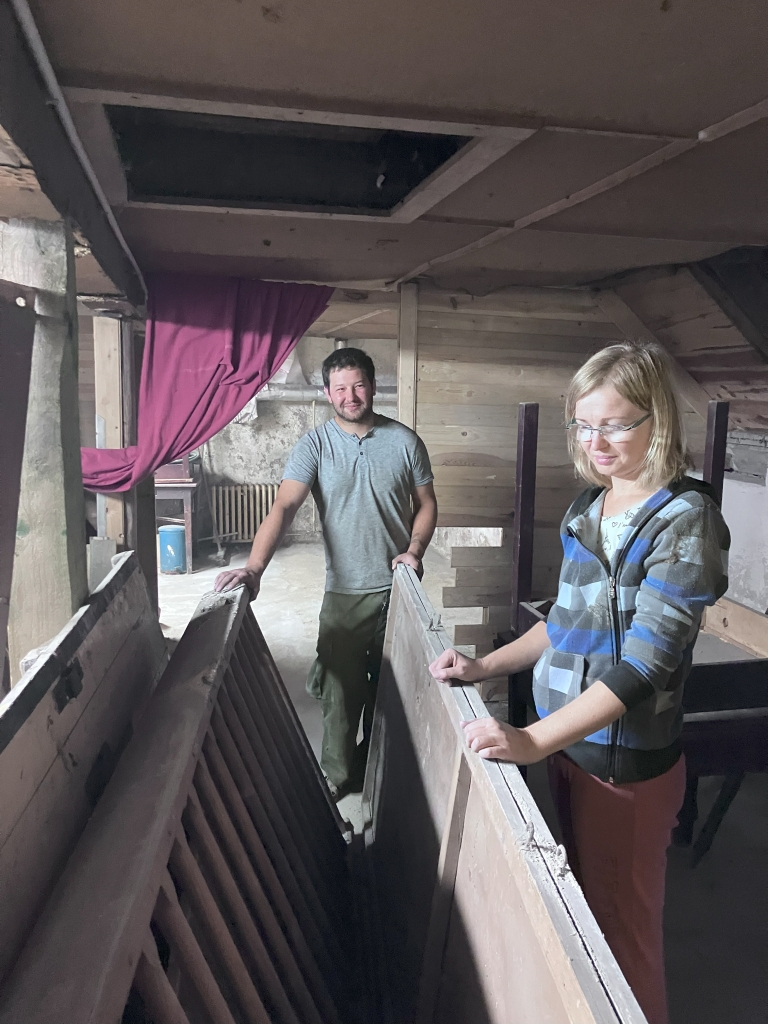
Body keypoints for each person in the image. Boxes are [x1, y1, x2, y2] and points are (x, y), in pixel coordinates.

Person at [428, 340, 729, 1024]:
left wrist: (532, 739)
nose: (596, 442)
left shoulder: (685, 522)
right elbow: (565, 624)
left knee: (622, 949)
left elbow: (646, 665)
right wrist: (483, 667)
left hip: (625, 770)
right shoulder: (589, 509)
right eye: (584, 425)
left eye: (615, 424)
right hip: (572, 750)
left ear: (657, 419)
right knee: (586, 924)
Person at [216, 346, 437, 800]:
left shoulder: (405, 442)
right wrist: (254, 568)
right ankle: (337, 775)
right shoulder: (314, 446)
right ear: (326, 392)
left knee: (395, 689)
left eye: (358, 386)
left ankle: (377, 771)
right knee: (339, 692)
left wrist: (414, 550)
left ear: (372, 387)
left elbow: (427, 503)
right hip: (345, 592)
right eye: (340, 388)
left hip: (400, 587)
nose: (350, 396)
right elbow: (284, 506)